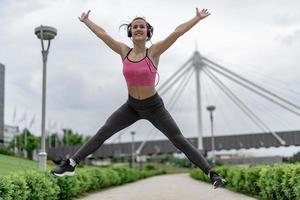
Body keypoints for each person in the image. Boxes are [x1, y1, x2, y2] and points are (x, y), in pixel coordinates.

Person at [51, 8, 226, 189]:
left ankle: (211, 173)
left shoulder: (154, 52)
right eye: (135, 27)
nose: (138, 29)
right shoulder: (123, 51)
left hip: (154, 107)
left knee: (178, 139)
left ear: (148, 31)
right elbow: (102, 35)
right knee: (104, 131)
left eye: (142, 26)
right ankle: (71, 164)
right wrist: (87, 21)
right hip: (131, 106)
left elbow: (177, 32)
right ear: (130, 32)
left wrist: (196, 18)